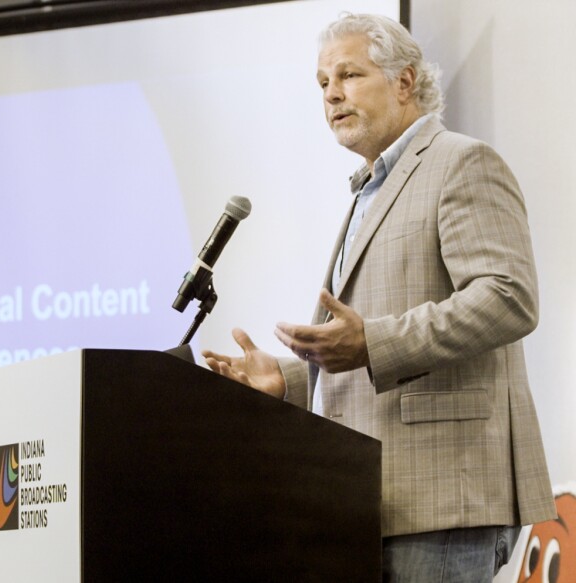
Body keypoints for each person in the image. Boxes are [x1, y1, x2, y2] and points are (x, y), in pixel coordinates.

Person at [202, 13, 556, 582]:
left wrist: (371, 341)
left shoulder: (460, 162)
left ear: (404, 82)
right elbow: (361, 347)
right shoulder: (369, 190)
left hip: (444, 494)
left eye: (348, 75)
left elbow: (508, 297)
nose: (332, 94)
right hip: (367, 498)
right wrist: (288, 382)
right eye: (322, 83)